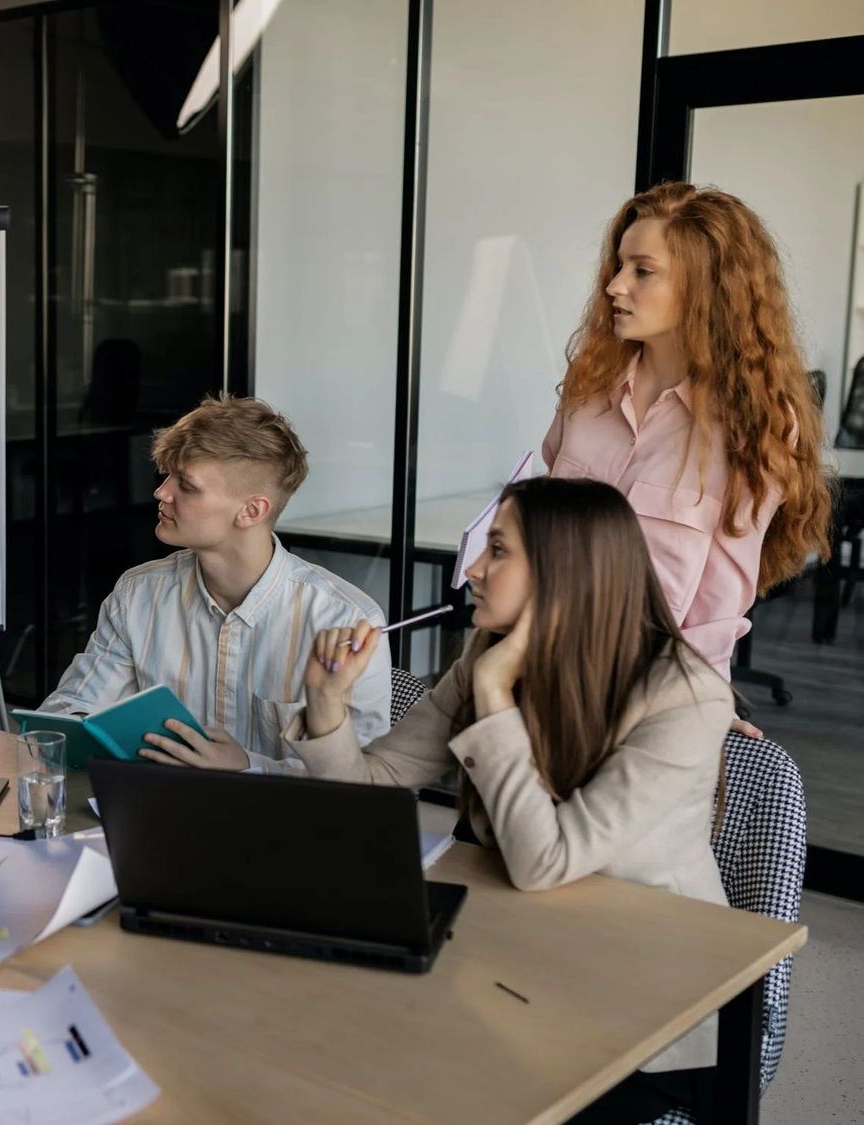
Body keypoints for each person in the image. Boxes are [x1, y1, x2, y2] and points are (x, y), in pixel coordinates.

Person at [251, 477, 728, 1122]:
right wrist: (327, 706)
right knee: (318, 1040)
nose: (472, 570)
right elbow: (373, 787)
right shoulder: (488, 652)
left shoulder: (683, 696)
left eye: (497, 551)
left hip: (641, 1007)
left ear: (565, 572)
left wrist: (497, 692)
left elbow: (546, 862)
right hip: (514, 954)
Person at [542, 182, 832, 705]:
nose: (614, 286)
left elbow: (717, 606)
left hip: (656, 697)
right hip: (543, 666)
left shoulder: (754, 422)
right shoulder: (586, 394)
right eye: (619, 265)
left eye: (642, 271)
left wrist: (692, 721)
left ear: (706, 287)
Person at [41, 395, 391, 769]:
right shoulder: (138, 594)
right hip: (157, 810)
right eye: (167, 476)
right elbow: (71, 710)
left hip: (283, 825)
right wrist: (77, 727)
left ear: (251, 510)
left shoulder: (347, 620)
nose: (161, 493)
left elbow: (366, 781)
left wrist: (247, 767)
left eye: (187, 486)